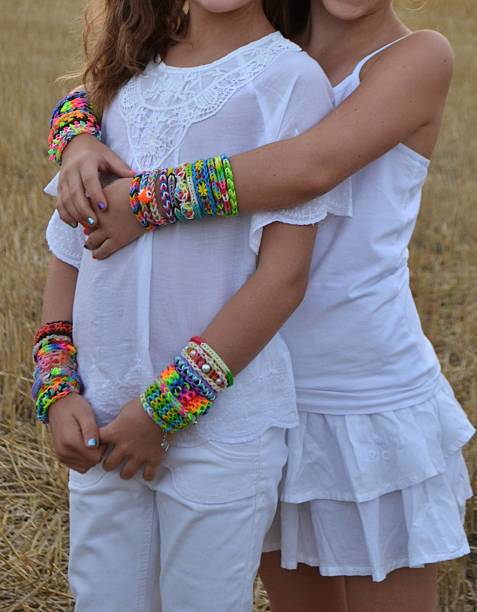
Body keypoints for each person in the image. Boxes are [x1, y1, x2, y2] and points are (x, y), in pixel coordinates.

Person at [47, 1, 475, 611]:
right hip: (250, 380)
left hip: (356, 387)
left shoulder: (417, 56)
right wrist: (76, 138)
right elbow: (97, 90)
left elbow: (309, 167)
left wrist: (144, 202)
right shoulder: (262, 34)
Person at [35, 1, 352, 611]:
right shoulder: (124, 72)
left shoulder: (290, 81)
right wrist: (56, 385)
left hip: (217, 429)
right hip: (99, 418)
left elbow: (283, 279)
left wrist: (165, 409)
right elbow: (69, 249)